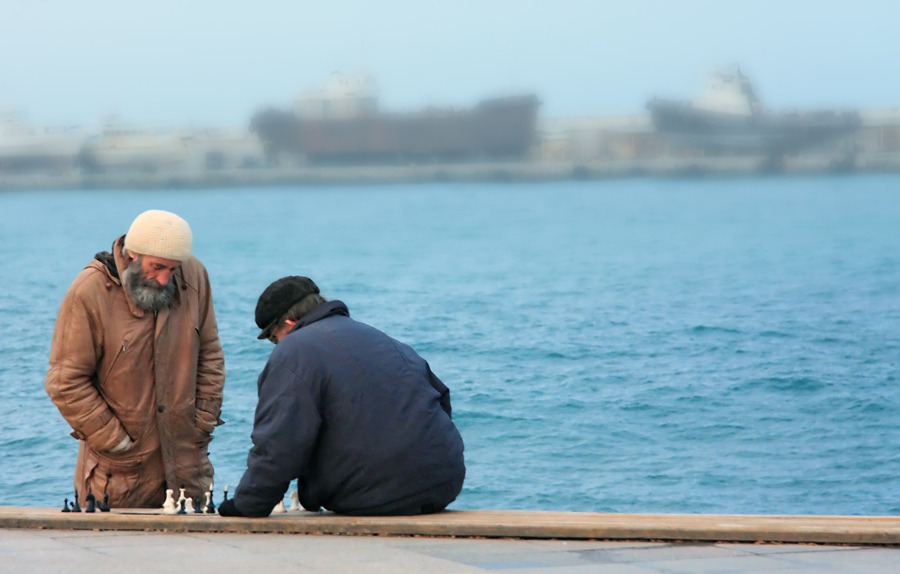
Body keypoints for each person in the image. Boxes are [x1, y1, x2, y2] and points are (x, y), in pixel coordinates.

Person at [218, 276, 465, 517]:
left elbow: (279, 442)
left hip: (377, 495)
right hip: (444, 484)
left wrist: (249, 505)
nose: (276, 343)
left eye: (273, 336)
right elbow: (440, 399)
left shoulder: (294, 351)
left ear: (290, 323)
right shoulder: (382, 339)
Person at [46, 209, 225, 508]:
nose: (165, 278)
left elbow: (210, 355)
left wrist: (202, 421)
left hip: (187, 467)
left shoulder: (194, 275)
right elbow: (65, 381)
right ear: (132, 255)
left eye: (173, 268)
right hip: (117, 472)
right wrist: (114, 440)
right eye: (157, 267)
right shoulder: (88, 291)